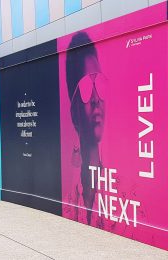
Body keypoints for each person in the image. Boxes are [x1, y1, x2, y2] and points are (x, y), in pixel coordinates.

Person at [65, 31, 108, 225]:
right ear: (74, 114)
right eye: (85, 88)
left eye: (99, 83)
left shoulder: (124, 190)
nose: (95, 98)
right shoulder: (68, 198)